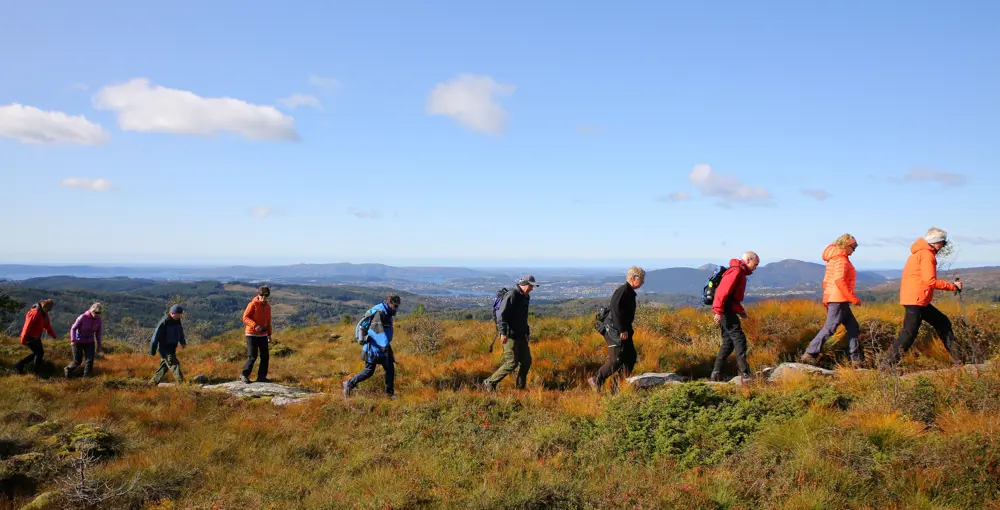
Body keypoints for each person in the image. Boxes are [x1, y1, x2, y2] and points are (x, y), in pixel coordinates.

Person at [886, 227, 962, 367]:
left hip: (918, 299)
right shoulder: (927, 255)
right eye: (943, 243)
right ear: (935, 242)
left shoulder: (919, 253)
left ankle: (960, 360)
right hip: (917, 300)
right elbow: (930, 281)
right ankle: (887, 365)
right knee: (909, 333)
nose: (944, 246)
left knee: (943, 323)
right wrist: (953, 286)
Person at [801, 235, 863, 367]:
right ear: (846, 245)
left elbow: (825, 282)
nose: (854, 250)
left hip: (836, 299)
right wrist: (854, 298)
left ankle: (856, 359)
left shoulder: (833, 259)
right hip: (839, 299)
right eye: (853, 247)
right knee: (830, 328)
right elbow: (839, 281)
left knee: (853, 327)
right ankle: (810, 353)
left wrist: (827, 298)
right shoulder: (841, 260)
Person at [588, 267, 645, 392]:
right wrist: (621, 330)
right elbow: (615, 310)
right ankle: (596, 380)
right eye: (642, 278)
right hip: (615, 331)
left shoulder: (628, 291)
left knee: (630, 358)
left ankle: (616, 386)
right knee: (616, 359)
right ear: (633, 277)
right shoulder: (623, 290)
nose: (643, 282)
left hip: (623, 330)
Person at [710, 252, 759, 382]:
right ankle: (745, 374)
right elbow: (722, 292)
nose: (755, 267)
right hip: (725, 311)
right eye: (755, 264)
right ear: (748, 260)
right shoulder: (736, 272)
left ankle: (716, 373)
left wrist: (740, 311)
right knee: (739, 339)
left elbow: (732, 298)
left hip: (727, 309)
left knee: (728, 342)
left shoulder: (738, 272)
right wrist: (718, 311)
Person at [483, 275, 537, 391]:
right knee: (512, 363)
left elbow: (523, 317)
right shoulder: (512, 295)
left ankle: (520, 388)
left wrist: (526, 331)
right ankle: (490, 382)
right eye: (530, 286)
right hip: (510, 335)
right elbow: (502, 315)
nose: (531, 289)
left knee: (526, 362)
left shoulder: (525, 297)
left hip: (521, 335)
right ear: (523, 284)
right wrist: (503, 333)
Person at [343, 295, 401, 398]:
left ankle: (389, 394)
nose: (396, 308)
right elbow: (376, 331)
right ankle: (349, 383)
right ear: (389, 304)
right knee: (368, 371)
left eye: (397, 306)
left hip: (382, 347)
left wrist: (388, 350)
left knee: (390, 369)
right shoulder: (380, 313)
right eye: (395, 306)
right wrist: (384, 346)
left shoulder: (387, 313)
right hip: (374, 348)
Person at [14, 299, 57, 374]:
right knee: (39, 353)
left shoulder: (44, 315)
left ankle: (20, 365)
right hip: (29, 337)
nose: (50, 310)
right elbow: (27, 326)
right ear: (45, 307)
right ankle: (34, 371)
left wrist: (53, 335)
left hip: (36, 337)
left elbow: (47, 326)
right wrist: (23, 338)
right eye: (49, 309)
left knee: (39, 353)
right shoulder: (35, 313)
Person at [240, 286, 273, 384]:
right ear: (259, 295)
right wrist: (255, 326)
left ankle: (261, 377)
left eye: (266, 296)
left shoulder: (268, 307)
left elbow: (268, 322)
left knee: (265, 356)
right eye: (262, 295)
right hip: (251, 334)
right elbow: (245, 318)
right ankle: (244, 375)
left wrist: (269, 334)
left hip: (263, 335)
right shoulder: (252, 304)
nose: (264, 297)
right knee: (252, 356)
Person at [150, 304, 187, 384]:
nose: (179, 316)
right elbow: (154, 338)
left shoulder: (177, 320)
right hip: (165, 349)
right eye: (178, 314)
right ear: (172, 313)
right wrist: (152, 350)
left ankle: (151, 384)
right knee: (174, 364)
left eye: (180, 314)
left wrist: (182, 342)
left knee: (164, 366)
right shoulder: (164, 322)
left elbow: (180, 332)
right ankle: (182, 384)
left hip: (172, 347)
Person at [65, 302, 103, 378]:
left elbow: (98, 334)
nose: (97, 314)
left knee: (90, 360)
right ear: (92, 310)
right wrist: (73, 340)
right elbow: (73, 328)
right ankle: (68, 369)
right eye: (96, 312)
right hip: (78, 341)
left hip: (90, 342)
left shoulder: (98, 320)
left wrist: (99, 345)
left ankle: (86, 378)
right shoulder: (82, 317)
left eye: (99, 313)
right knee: (78, 361)